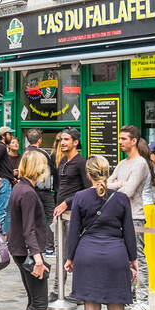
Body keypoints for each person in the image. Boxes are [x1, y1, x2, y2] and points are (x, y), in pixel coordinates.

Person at [65, 155, 137, 310]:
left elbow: (74, 231)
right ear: (108, 173)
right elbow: (129, 233)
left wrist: (70, 257)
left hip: (88, 254)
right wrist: (132, 260)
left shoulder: (80, 197)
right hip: (115, 254)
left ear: (88, 174)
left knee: (91, 309)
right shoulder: (121, 198)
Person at [0, 151, 55, 310]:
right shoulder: (28, 193)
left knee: (34, 301)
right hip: (29, 253)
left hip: (20, 250)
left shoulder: (20, 188)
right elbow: (29, 229)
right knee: (40, 303)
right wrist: (38, 258)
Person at [110, 125, 154, 310]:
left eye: (124, 139)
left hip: (134, 217)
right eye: (119, 139)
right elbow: (104, 185)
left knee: (138, 258)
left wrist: (117, 186)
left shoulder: (140, 164)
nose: (120, 142)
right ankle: (127, 294)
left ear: (134, 141)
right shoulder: (122, 164)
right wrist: (120, 183)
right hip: (118, 216)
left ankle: (143, 301)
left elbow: (129, 192)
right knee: (122, 258)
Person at [51, 128, 91, 300]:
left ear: (76, 142)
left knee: (75, 253)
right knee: (60, 252)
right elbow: (60, 188)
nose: (63, 143)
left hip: (74, 214)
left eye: (67, 139)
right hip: (60, 215)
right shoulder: (62, 161)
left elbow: (88, 189)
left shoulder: (81, 162)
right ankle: (57, 289)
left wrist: (67, 202)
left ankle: (79, 291)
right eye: (61, 140)